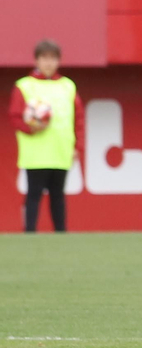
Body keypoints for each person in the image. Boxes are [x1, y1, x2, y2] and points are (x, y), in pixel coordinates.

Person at [10, 41, 83, 233]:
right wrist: (31, 128)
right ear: (36, 60)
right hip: (36, 153)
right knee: (34, 194)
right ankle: (29, 233)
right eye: (44, 58)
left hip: (61, 150)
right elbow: (15, 116)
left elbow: (78, 118)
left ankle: (60, 234)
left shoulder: (68, 86)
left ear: (59, 61)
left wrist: (77, 147)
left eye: (53, 58)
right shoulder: (25, 85)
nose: (48, 63)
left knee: (58, 195)